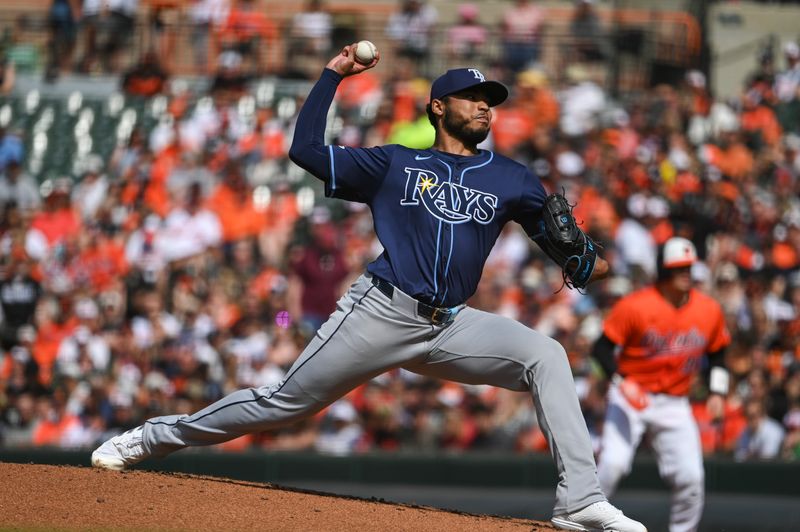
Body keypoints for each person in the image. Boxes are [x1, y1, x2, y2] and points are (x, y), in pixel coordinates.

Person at [91, 43, 646, 532]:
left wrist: (590, 257)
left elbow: (578, 259)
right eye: (472, 96)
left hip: (451, 323)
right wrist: (333, 75)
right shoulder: (395, 164)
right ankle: (155, 437)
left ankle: (580, 501)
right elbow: (305, 150)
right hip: (380, 312)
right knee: (282, 404)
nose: (484, 105)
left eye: (490, 99)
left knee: (546, 355)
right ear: (437, 107)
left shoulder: (514, 178)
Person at [591, 237, 731, 532]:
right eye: (678, 267)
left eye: (688, 267)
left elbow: (718, 351)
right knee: (612, 466)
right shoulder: (635, 306)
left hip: (675, 401)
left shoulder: (708, 310)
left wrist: (717, 391)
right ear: (662, 270)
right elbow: (601, 348)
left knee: (691, 478)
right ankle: (581, 523)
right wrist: (621, 380)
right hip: (631, 392)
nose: (685, 273)